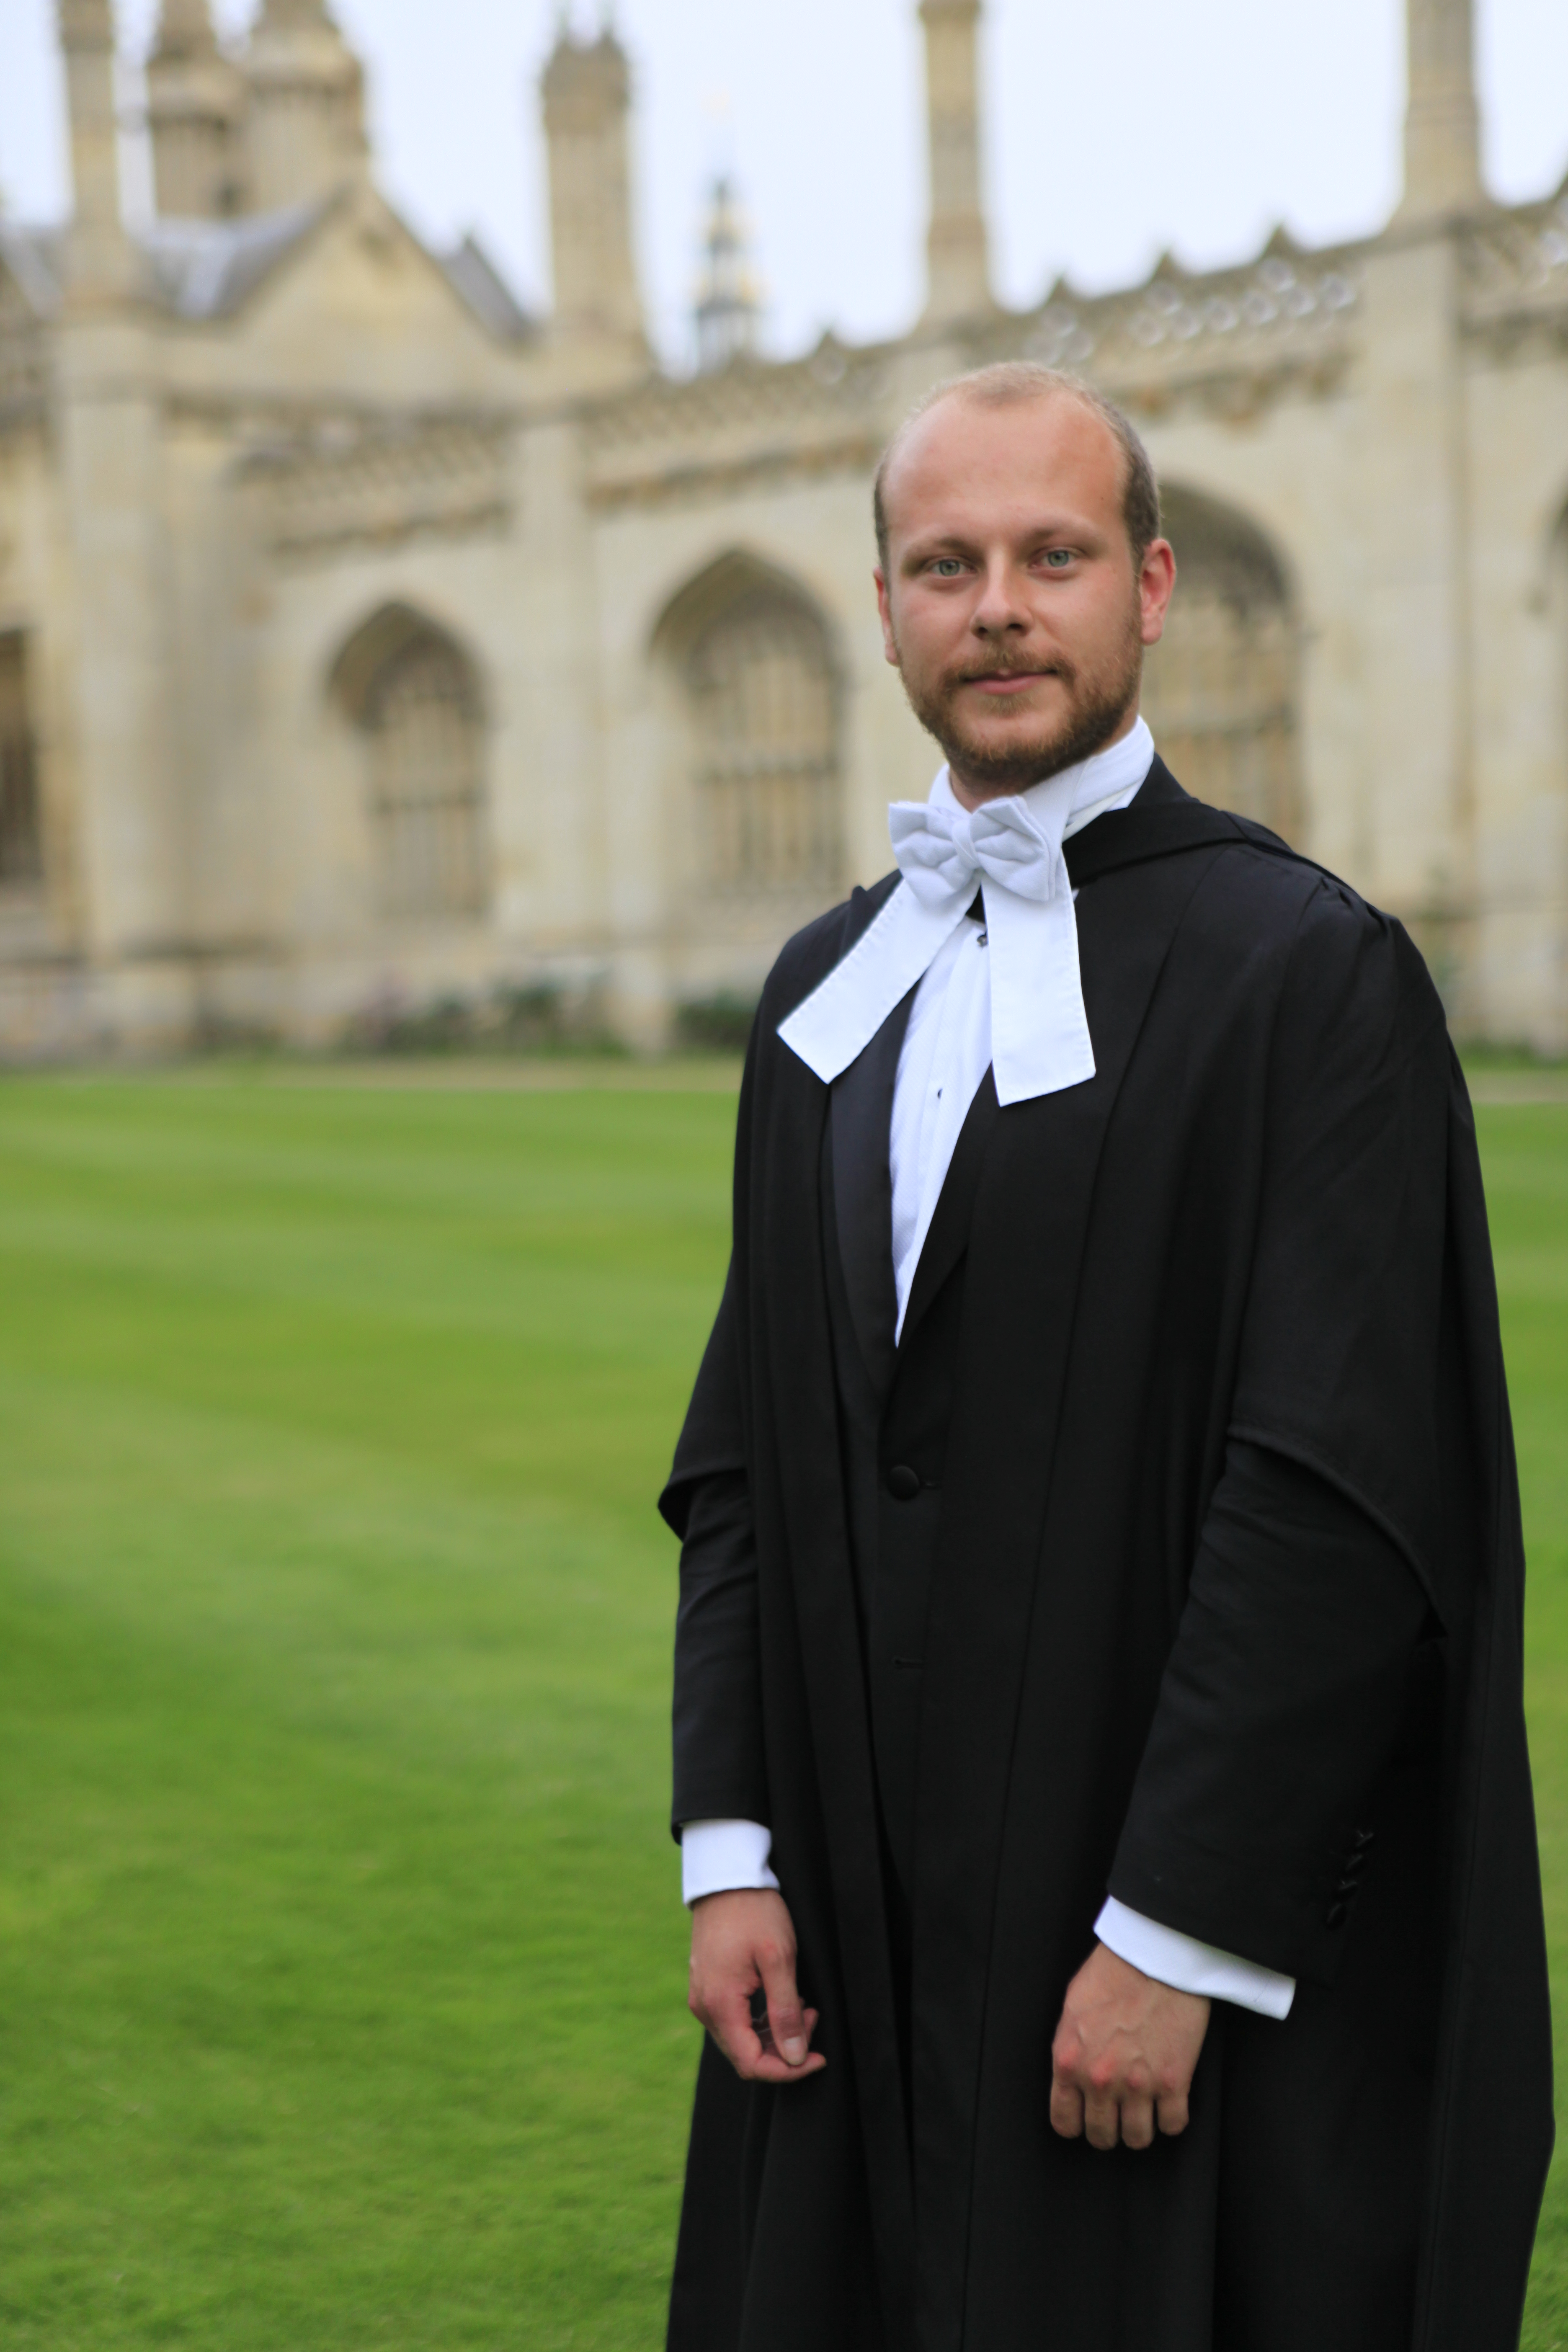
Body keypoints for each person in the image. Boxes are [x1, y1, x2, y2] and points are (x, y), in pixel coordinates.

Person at [658, 361, 1553, 2352]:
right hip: (857, 1930)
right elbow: (749, 1460)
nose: (997, 606)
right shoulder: (825, 993)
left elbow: (1328, 1500)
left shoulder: (1312, 979)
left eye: (1051, 557)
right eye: (945, 563)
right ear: (881, 605)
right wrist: (733, 1851)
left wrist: (1179, 1932)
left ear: (1149, 588)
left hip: (1138, 1935)